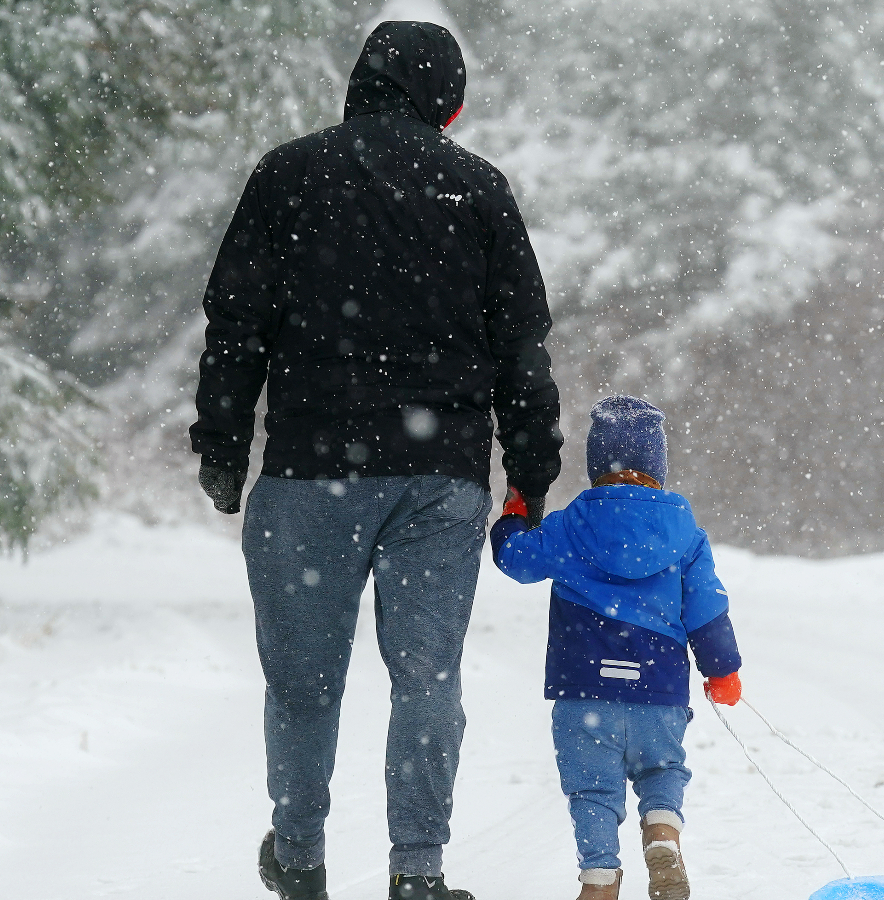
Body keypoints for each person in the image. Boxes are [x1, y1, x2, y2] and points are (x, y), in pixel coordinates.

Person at [189, 20, 562, 900]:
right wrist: (530, 474)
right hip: (442, 480)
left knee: (304, 681)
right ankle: (418, 875)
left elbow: (235, 327)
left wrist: (222, 448)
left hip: (311, 469)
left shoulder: (289, 175)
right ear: (445, 99)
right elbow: (523, 347)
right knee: (427, 677)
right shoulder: (478, 191)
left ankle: (301, 857)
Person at [489, 396, 743, 900]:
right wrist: (722, 671)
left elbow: (515, 561)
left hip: (585, 692)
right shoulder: (686, 535)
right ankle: (663, 835)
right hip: (659, 690)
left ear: (595, 465)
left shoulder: (569, 525)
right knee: (662, 769)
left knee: (592, 789)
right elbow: (706, 607)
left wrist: (513, 518)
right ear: (657, 466)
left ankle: (600, 878)